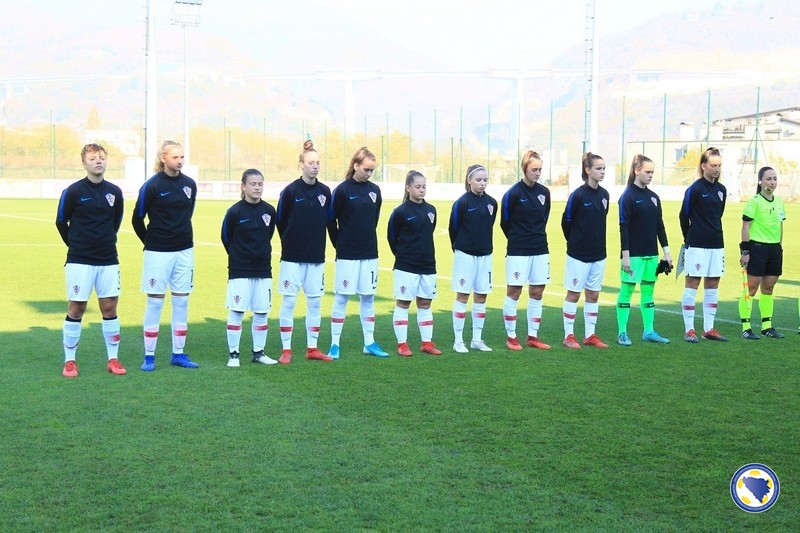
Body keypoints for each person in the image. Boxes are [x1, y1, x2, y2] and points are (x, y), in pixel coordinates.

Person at [55, 143, 126, 377]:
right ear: (84, 163)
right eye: (93, 158)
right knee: (77, 308)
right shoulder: (73, 191)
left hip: (108, 259)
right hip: (80, 260)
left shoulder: (114, 192)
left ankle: (113, 359)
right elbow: (61, 221)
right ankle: (70, 361)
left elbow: (116, 222)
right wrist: (75, 244)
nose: (99, 161)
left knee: (109, 307)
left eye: (102, 157)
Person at [132, 140, 199, 370]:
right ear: (163, 158)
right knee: (155, 303)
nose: (180, 161)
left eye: (182, 157)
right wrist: (150, 242)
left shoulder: (189, 184)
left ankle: (178, 354)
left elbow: (188, 213)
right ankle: (149, 356)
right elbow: (137, 218)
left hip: (184, 251)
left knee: (182, 302)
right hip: (158, 252)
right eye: (175, 157)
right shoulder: (151, 186)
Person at [275, 140, 335, 364]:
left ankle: (312, 348)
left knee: (315, 303)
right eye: (310, 163)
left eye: (318, 162)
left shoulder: (325, 192)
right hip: (292, 258)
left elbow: (329, 221)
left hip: (316, 258)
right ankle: (286, 349)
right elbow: (280, 221)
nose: (315, 166)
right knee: (289, 302)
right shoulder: (290, 191)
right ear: (301, 164)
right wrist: (291, 242)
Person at [327, 146, 388, 359]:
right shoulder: (342, 190)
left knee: (368, 297)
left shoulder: (375, 191)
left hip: (369, 252)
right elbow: (330, 220)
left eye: (372, 170)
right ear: (355, 165)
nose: (369, 174)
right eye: (366, 169)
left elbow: (374, 219)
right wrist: (339, 244)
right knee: (342, 297)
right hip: (347, 253)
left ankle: (369, 342)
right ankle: (334, 344)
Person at [221, 169, 279, 367]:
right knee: (237, 312)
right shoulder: (235, 211)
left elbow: (268, 235)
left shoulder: (269, 211)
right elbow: (226, 237)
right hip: (240, 270)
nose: (257, 188)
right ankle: (234, 355)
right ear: (243, 186)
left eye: (260, 184)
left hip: (263, 269)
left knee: (262, 313)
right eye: (253, 184)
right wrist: (239, 256)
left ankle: (258, 353)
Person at [616, 154, 672, 346]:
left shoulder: (654, 198)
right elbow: (623, 227)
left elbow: (659, 225)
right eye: (647, 172)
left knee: (648, 292)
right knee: (627, 291)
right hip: (633, 255)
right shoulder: (627, 197)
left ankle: (649, 331)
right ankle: (622, 333)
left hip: (651, 254)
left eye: (652, 172)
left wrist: (666, 252)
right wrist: (625, 256)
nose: (650, 175)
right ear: (636, 170)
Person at [500, 150, 552, 351]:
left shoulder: (544, 192)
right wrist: (518, 238)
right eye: (534, 169)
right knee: (514, 292)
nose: (537, 173)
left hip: (540, 248)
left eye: (540, 169)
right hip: (518, 249)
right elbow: (505, 222)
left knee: (537, 292)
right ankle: (511, 337)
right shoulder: (512, 194)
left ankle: (533, 336)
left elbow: (544, 218)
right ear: (524, 169)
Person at [386, 170, 441, 356]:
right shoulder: (400, 212)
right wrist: (402, 255)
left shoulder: (431, 210)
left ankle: (426, 343)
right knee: (403, 303)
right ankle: (402, 344)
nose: (422, 190)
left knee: (425, 303)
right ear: (408, 188)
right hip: (406, 266)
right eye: (418, 186)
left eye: (424, 186)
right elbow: (392, 237)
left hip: (428, 265)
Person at [560, 152, 610, 349]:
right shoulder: (578, 195)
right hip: (578, 255)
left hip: (599, 254)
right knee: (573, 294)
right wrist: (575, 242)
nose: (602, 172)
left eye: (604, 168)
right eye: (598, 168)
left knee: (593, 295)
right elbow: (566, 221)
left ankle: (590, 335)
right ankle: (569, 335)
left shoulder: (605, 195)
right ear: (587, 170)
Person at [679, 146, 727, 342]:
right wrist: (689, 238)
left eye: (719, 165)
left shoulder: (722, 190)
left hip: (717, 243)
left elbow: (718, 215)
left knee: (713, 285)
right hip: (697, 244)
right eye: (713, 165)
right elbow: (684, 215)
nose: (716, 169)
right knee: (692, 284)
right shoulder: (695, 189)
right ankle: (689, 329)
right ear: (703, 166)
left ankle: (709, 329)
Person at [448, 164, 498, 353]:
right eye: (478, 180)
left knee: (481, 296)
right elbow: (453, 228)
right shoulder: (461, 203)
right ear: (469, 180)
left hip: (485, 255)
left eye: (485, 180)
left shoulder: (492, 203)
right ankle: (458, 341)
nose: (482, 183)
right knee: (463, 295)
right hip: (465, 255)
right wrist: (460, 247)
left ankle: (476, 339)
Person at [739, 166, 786, 340]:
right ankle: (746, 327)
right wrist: (745, 251)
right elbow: (745, 227)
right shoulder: (754, 202)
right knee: (751, 289)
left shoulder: (779, 201)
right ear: (760, 181)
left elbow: (780, 225)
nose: (772, 182)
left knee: (768, 288)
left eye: (774, 179)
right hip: (757, 248)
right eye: (768, 179)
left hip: (774, 249)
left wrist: (779, 246)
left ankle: (767, 326)